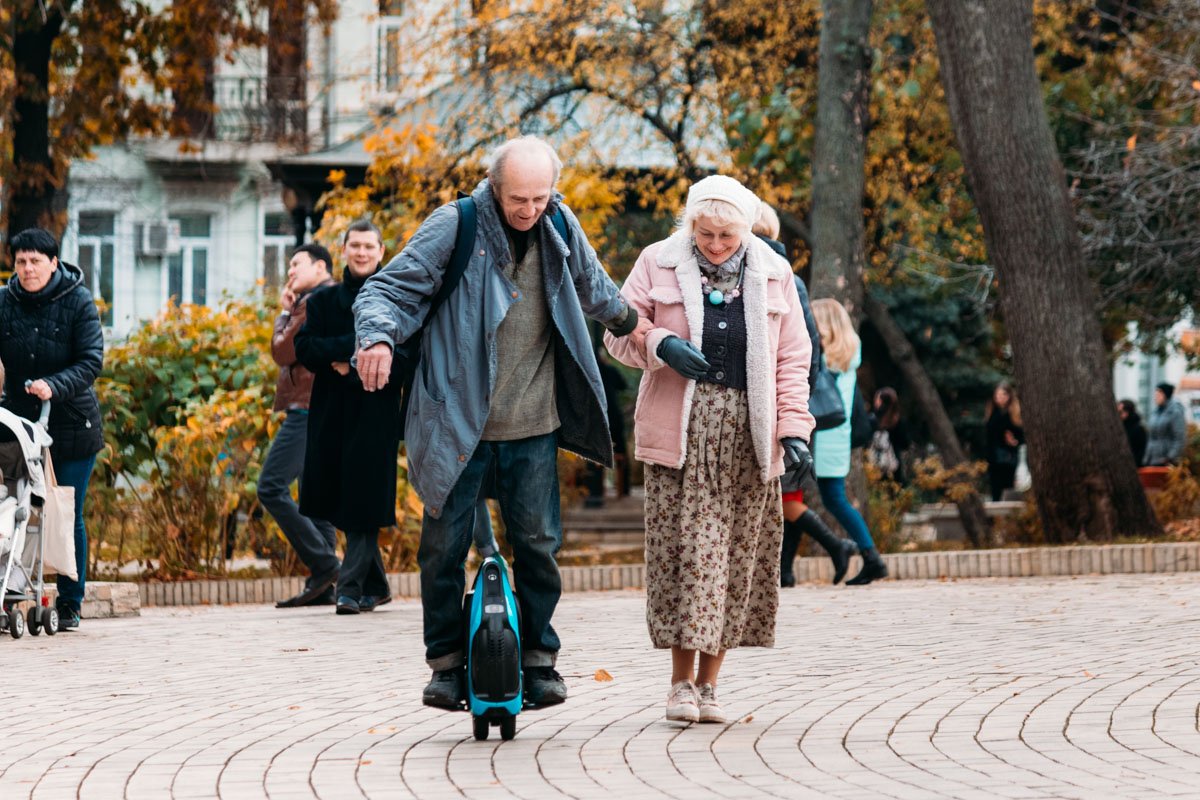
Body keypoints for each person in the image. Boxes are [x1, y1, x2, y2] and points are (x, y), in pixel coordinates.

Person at [352, 135, 651, 710]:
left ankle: (539, 662)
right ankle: (444, 665)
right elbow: (386, 291)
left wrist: (649, 329)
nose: (530, 209)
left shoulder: (560, 224)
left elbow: (599, 292)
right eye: (519, 198)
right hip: (456, 425)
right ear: (494, 186)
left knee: (539, 547)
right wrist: (376, 338)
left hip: (532, 423)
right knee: (441, 551)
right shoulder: (456, 225)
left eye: (540, 197)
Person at [605, 175, 815, 724]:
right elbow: (616, 329)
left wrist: (794, 430)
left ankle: (711, 686)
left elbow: (793, 359)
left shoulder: (774, 273)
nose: (716, 244)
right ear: (690, 222)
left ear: (746, 230)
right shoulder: (658, 261)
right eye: (706, 232)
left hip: (750, 435)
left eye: (727, 235)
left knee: (737, 560)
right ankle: (679, 685)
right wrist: (659, 344)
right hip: (682, 432)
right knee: (687, 558)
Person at [0, 227, 104, 630]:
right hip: (18, 425)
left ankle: (70, 602)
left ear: (53, 263)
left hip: (72, 423)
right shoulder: (5, 302)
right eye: (21, 262)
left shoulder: (77, 301)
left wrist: (54, 385)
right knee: (15, 507)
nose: (28, 269)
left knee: (64, 511)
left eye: (36, 262)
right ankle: (11, 589)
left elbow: (92, 359)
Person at [294, 221, 395, 616]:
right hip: (333, 413)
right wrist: (358, 349)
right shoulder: (322, 302)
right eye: (355, 245)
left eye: (369, 246)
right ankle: (378, 585)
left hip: (376, 410)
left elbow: (403, 353)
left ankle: (348, 589)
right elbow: (305, 350)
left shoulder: (397, 299)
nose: (362, 252)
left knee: (364, 499)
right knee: (340, 499)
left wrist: (347, 361)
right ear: (344, 249)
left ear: (381, 250)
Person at [752, 204, 855, 587]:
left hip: (778, 403)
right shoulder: (790, 277)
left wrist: (792, 404)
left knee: (785, 491)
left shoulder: (781, 279)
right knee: (787, 490)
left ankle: (830, 548)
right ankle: (787, 571)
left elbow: (803, 349)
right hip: (787, 401)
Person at [258, 243, 341, 608]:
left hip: (306, 409)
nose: (290, 271)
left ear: (320, 266)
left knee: (271, 486)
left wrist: (284, 313)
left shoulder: (312, 302)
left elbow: (282, 351)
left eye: (296, 264)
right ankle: (325, 583)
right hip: (320, 407)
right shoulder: (329, 297)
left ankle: (326, 563)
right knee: (315, 499)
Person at [811, 298, 888, 586]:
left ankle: (870, 557)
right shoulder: (847, 355)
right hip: (837, 436)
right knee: (828, 499)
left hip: (819, 436)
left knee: (831, 500)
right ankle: (868, 557)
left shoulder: (821, 356)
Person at [984, 381, 1025, 501]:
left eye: (1003, 395)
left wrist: (1015, 441)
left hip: (1009, 456)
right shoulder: (992, 413)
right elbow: (989, 436)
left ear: (1009, 396)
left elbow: (1021, 436)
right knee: (995, 489)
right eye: (997, 395)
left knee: (1008, 488)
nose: (999, 398)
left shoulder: (1014, 414)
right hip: (994, 457)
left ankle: (1008, 517)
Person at [869, 386, 910, 483]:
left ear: (881, 402)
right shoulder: (899, 421)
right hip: (894, 463)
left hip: (875, 463)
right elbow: (905, 444)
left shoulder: (873, 420)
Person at [1143, 382, 1188, 467]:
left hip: (1166, 460)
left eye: (1158, 395)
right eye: (1155, 395)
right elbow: (1151, 437)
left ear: (1165, 395)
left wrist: (1170, 457)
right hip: (1152, 459)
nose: (1155, 398)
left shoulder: (1175, 412)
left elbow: (1179, 438)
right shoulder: (1155, 412)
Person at [1117, 399, 1147, 468]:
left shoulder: (1138, 429)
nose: (1118, 415)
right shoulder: (1120, 427)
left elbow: (1141, 451)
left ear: (1127, 412)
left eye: (1120, 412)